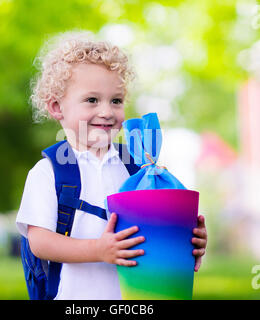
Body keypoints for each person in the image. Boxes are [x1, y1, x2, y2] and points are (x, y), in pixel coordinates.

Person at [16, 30, 207, 300]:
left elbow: (159, 229)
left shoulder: (138, 169)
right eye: (92, 100)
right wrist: (99, 250)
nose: (106, 111)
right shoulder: (48, 172)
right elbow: (40, 242)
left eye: (116, 101)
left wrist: (188, 239)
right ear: (57, 107)